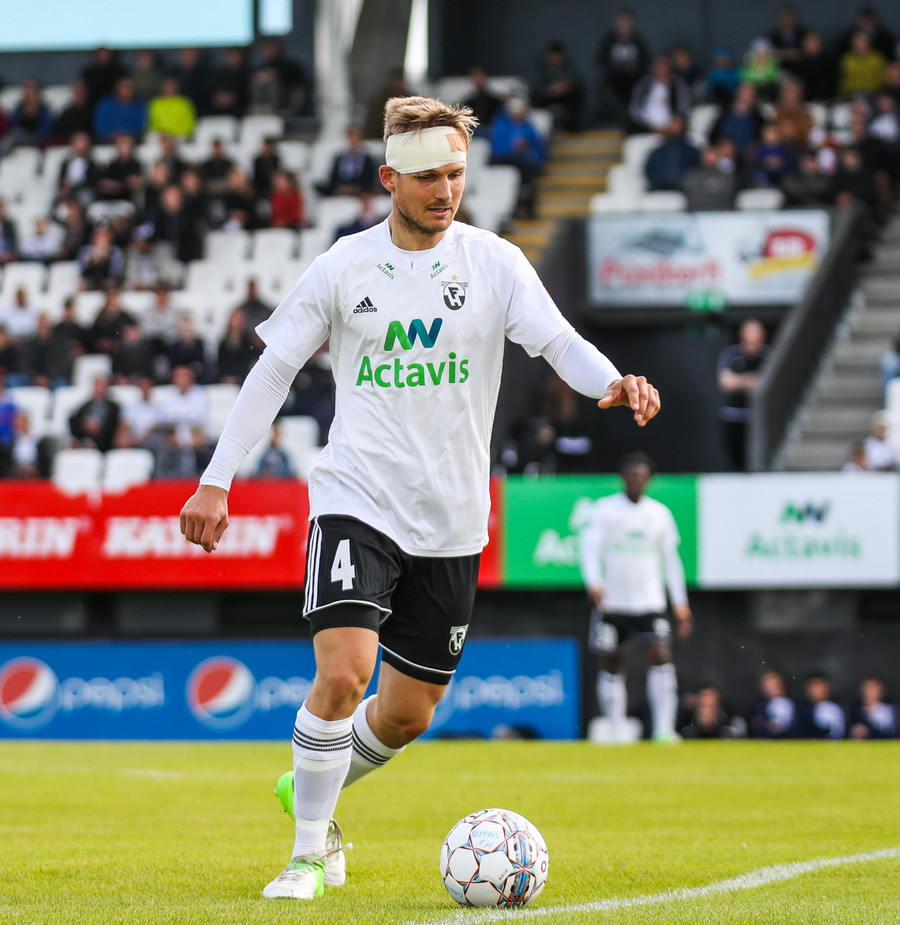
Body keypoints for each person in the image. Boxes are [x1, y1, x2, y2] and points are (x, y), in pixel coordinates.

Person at [179, 94, 660, 901]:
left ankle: (310, 781)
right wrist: (216, 478)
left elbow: (558, 341)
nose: (446, 190)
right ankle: (308, 854)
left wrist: (611, 380)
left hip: (451, 520)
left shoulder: (494, 263)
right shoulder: (343, 267)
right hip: (357, 498)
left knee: (408, 712)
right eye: (429, 176)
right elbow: (273, 371)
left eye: (456, 174)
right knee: (345, 673)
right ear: (389, 181)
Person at [578, 451, 690, 744]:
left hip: (650, 601)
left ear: (649, 479)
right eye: (631, 475)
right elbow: (589, 548)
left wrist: (680, 601)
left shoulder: (659, 513)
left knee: (661, 655)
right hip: (613, 602)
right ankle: (616, 729)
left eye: (641, 475)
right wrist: (594, 582)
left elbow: (671, 560)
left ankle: (663, 729)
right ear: (622, 478)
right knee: (612, 663)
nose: (636, 480)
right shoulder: (605, 510)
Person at [717, 318, 771, 471]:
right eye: (749, 331)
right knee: (735, 458)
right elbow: (726, 382)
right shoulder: (732, 354)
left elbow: (768, 381)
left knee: (757, 459)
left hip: (758, 418)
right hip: (733, 416)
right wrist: (751, 380)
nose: (752, 335)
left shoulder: (768, 355)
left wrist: (740, 381)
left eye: (756, 331)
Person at [315, 125, 378, 197]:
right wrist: (342, 187)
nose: (354, 141)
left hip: (360, 188)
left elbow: (370, 177)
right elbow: (334, 177)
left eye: (356, 138)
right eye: (352, 137)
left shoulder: (367, 159)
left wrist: (356, 187)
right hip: (341, 187)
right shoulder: (339, 157)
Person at [747, 667, 796, 738]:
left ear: (781, 681)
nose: (769, 684)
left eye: (772, 678)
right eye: (766, 680)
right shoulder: (758, 707)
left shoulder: (795, 705)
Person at [795, 672, 846, 739]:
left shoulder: (838, 706)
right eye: (812, 685)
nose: (815, 690)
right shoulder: (801, 708)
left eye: (819, 685)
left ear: (827, 687)